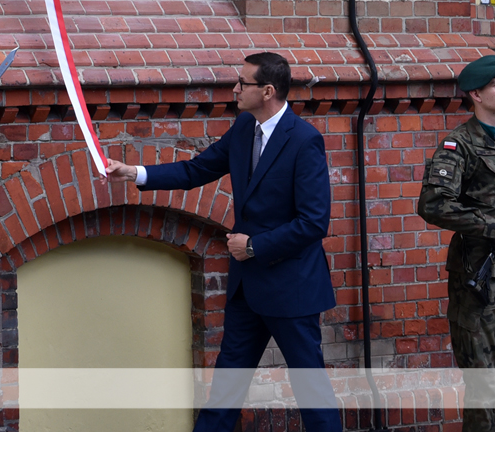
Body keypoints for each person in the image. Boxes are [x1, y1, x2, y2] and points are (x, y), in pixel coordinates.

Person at [106, 51, 342, 431]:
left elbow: (314, 222)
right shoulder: (242, 130)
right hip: (248, 290)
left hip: (292, 289)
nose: (235, 88)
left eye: (243, 83)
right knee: (225, 390)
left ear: (267, 91)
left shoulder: (304, 141)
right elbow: (195, 169)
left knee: (310, 390)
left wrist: (253, 247)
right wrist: (134, 172)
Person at [416, 54, 495, 432]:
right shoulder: (459, 145)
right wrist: (490, 227)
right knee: (484, 385)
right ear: (476, 93)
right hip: (480, 280)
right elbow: (433, 204)